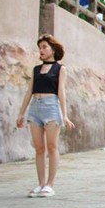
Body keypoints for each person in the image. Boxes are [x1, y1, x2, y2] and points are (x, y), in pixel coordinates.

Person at [16, 33, 75, 198]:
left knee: (52, 147)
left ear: (53, 49)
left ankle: (50, 184)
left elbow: (61, 92)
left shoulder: (60, 69)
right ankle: (41, 184)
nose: (41, 50)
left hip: (51, 108)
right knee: (39, 149)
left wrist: (65, 115)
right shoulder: (36, 69)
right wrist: (21, 113)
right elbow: (29, 91)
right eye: (39, 48)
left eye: (44, 47)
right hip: (35, 108)